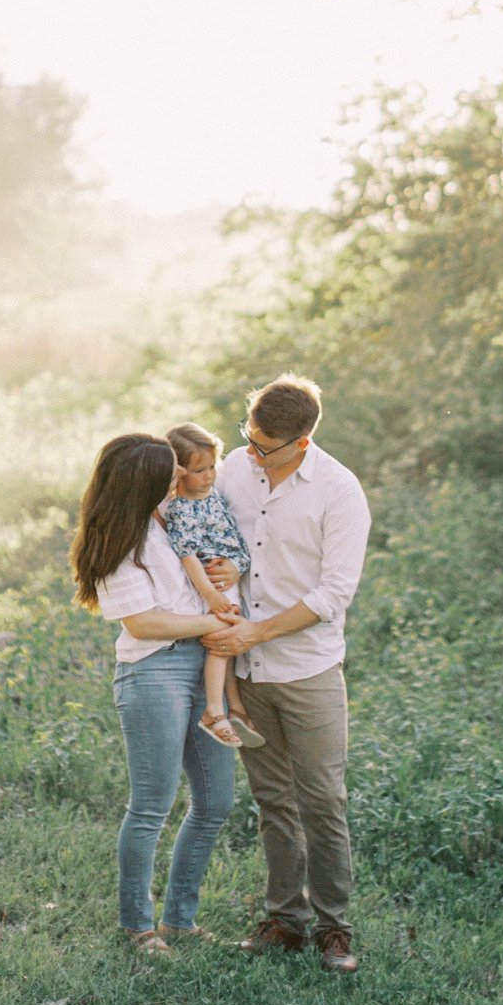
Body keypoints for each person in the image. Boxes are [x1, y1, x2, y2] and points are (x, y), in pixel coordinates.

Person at [204, 374, 371, 974]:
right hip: (246, 670)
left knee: (323, 800)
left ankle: (335, 928)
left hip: (308, 671)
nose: (251, 451)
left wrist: (258, 630)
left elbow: (333, 593)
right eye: (247, 436)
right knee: (274, 800)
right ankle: (285, 919)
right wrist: (219, 569)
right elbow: (215, 538)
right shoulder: (235, 472)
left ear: (301, 443)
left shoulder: (339, 491)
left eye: (265, 444)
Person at [70, 431, 236, 954]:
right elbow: (142, 624)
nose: (178, 481)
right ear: (141, 486)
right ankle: (137, 926)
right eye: (167, 477)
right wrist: (211, 621)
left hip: (200, 664)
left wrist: (226, 572)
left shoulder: (175, 516)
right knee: (151, 806)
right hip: (153, 673)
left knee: (215, 801)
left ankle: (180, 921)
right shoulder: (121, 542)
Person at [164, 422, 265, 751]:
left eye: (211, 467)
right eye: (198, 470)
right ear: (178, 472)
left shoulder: (214, 496)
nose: (208, 475)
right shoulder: (182, 508)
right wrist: (209, 592)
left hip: (228, 576)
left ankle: (234, 706)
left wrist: (238, 566)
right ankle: (213, 710)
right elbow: (187, 554)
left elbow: (234, 539)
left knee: (232, 641)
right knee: (222, 639)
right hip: (211, 581)